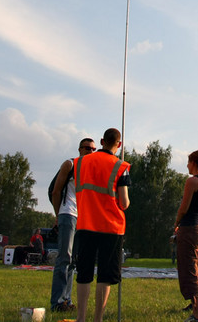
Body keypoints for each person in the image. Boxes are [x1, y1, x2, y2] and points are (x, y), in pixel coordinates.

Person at [74, 128, 131, 322]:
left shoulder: (80, 162)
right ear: (119, 144)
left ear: (101, 141)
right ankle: (98, 318)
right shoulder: (120, 166)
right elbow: (124, 202)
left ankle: (81, 318)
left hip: (85, 223)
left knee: (84, 273)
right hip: (110, 227)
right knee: (105, 275)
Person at [50, 137, 96, 313]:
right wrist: (58, 214)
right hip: (67, 214)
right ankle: (57, 302)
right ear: (79, 149)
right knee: (64, 258)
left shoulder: (90, 169)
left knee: (73, 261)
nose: (90, 151)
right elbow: (56, 190)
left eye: (93, 149)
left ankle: (66, 300)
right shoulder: (70, 164)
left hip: (82, 217)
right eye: (86, 148)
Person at [175, 150, 198, 322]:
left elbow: (184, 207)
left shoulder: (192, 181)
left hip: (190, 228)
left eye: (188, 162)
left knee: (189, 270)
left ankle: (196, 315)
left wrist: (176, 223)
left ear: (194, 163)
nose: (187, 165)